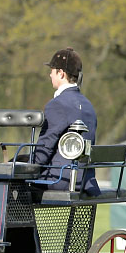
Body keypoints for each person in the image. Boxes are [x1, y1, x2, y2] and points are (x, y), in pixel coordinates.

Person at [33, 47, 99, 194]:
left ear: (61, 73)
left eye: (52, 70)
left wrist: (28, 167)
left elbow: (45, 148)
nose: (50, 74)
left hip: (61, 179)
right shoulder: (89, 105)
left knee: (13, 181)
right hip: (85, 181)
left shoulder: (57, 104)